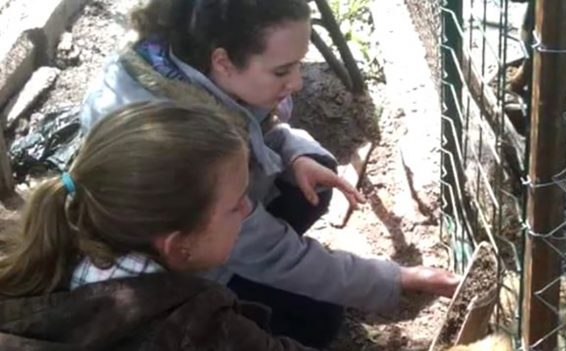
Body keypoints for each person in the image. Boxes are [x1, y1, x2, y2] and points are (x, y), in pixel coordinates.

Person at [79, 0, 460, 347]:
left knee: (313, 175)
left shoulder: (190, 59)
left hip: (199, 231)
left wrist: (294, 156)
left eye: (299, 64)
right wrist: (395, 279)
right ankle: (228, 287)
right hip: (178, 266)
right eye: (282, 70)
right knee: (318, 319)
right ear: (224, 61)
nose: (297, 83)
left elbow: (257, 128)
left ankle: (249, 274)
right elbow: (265, 247)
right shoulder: (173, 144)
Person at [0, 101, 317, 350]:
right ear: (179, 245)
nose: (248, 206)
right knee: (320, 320)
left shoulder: (47, 243)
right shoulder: (199, 327)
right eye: (236, 204)